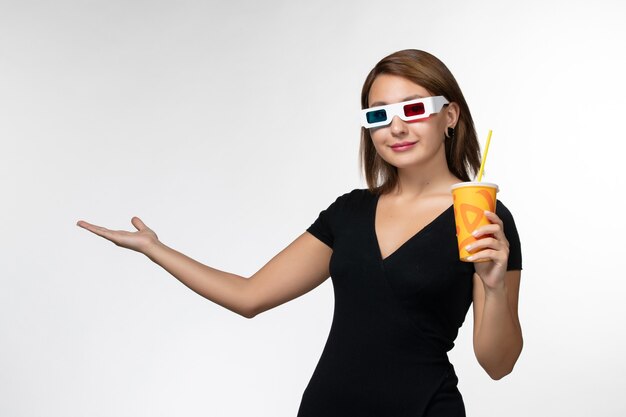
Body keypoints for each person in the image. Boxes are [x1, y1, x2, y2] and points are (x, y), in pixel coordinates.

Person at [77, 49, 522, 417]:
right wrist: (156, 249)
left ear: (450, 115)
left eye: (412, 109)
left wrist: (494, 285)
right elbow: (249, 296)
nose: (396, 128)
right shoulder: (348, 213)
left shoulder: (485, 220)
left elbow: (497, 364)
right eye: (379, 115)